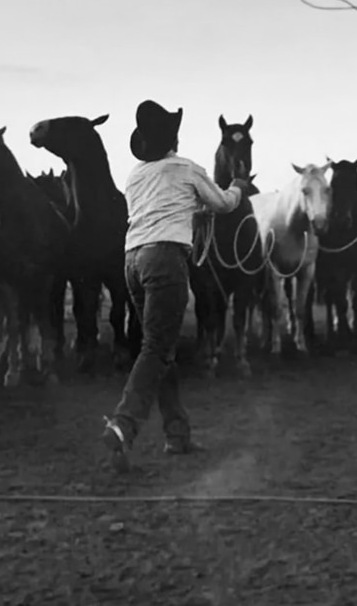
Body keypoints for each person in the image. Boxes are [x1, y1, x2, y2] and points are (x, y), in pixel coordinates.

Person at [101, 99, 251, 474]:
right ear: (173, 138)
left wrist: (191, 211)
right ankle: (124, 423)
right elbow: (223, 205)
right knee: (155, 348)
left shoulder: (135, 176)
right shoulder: (186, 168)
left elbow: (159, 210)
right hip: (166, 260)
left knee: (160, 346)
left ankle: (177, 434)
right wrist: (237, 186)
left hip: (132, 260)